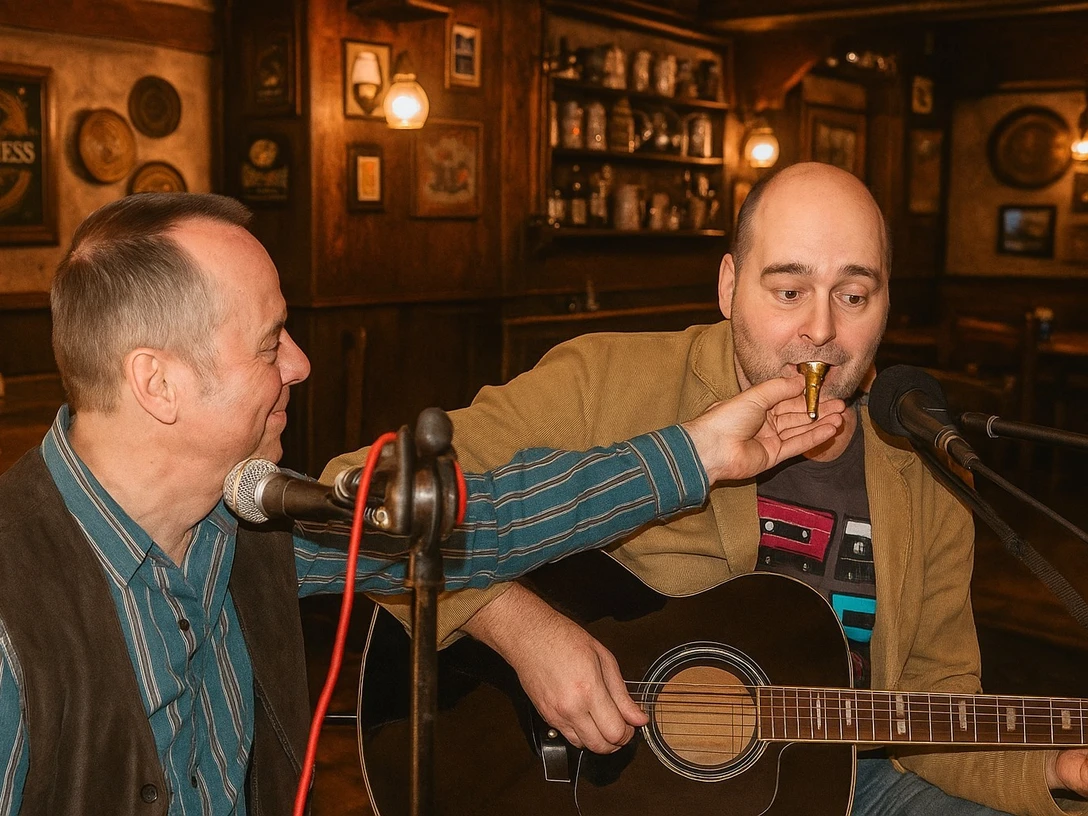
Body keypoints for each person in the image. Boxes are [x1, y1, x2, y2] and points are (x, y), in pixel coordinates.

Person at [0, 192, 846, 815]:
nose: (297, 365)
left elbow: (488, 519)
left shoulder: (240, 521)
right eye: (269, 344)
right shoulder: (13, 616)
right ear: (159, 384)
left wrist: (698, 450)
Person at [328, 162, 1088, 816]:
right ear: (728, 285)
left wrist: (1052, 767)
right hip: (607, 790)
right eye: (788, 290)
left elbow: (930, 708)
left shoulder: (922, 465)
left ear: (886, 302)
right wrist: (518, 626)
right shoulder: (606, 381)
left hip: (846, 779)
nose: (820, 330)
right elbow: (356, 489)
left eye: (853, 296)